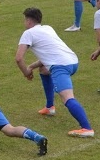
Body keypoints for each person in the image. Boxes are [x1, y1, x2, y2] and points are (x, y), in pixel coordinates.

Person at [15, 7, 95, 137]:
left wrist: (26, 72)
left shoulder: (28, 33)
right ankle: (50, 107)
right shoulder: (47, 28)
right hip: (73, 61)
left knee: (67, 97)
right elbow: (49, 55)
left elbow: (19, 58)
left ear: (29, 21)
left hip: (61, 66)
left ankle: (87, 128)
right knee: (44, 70)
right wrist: (31, 67)